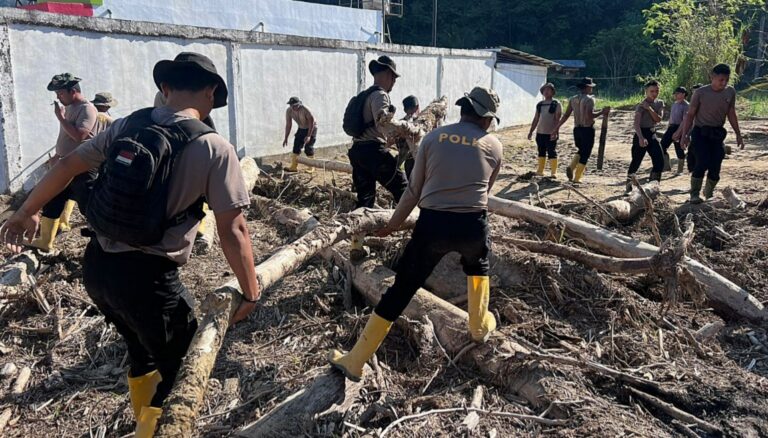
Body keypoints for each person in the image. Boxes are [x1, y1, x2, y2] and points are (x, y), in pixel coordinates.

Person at [0, 52, 260, 438]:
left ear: (165, 88)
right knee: (181, 371)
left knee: (141, 350)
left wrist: (26, 211)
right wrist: (251, 292)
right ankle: (151, 430)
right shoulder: (215, 148)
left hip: (97, 268)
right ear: (210, 93)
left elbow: (67, 166)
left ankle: (142, 418)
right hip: (149, 280)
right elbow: (233, 229)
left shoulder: (127, 125)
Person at [328, 87, 503, 382]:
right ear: (486, 119)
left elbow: (412, 191)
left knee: (402, 289)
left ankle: (355, 361)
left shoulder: (433, 138)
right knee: (478, 266)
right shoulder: (494, 145)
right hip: (473, 224)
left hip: (432, 224)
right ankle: (478, 327)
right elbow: (485, 192)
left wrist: (393, 225)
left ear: (463, 109)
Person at [347, 56, 408, 259]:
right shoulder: (380, 95)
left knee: (365, 200)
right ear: (388, 75)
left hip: (358, 151)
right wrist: (402, 132)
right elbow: (383, 123)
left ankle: (356, 245)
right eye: (394, 77)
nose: (394, 82)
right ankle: (415, 237)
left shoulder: (365, 95)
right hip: (373, 151)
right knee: (404, 189)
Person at [29, 73, 98, 251]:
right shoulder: (69, 108)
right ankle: (45, 241)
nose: (58, 97)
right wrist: (57, 155)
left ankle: (103, 241)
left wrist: (60, 118)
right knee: (52, 201)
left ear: (73, 91)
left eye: (60, 93)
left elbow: (79, 135)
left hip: (81, 167)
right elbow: (66, 138)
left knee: (89, 206)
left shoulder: (87, 109)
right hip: (63, 166)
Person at [676, 64, 744, 203]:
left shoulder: (730, 92)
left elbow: (731, 113)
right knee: (702, 162)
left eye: (726, 80)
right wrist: (684, 135)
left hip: (717, 133)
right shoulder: (700, 93)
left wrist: (738, 133)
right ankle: (694, 194)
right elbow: (690, 115)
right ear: (712, 77)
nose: (724, 83)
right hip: (700, 132)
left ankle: (709, 193)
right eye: (721, 80)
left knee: (716, 163)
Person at [554, 77, 610, 184]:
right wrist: (602, 112)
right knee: (586, 153)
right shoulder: (590, 99)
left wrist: (558, 127)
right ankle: (577, 177)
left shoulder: (573, 99)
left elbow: (566, 115)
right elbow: (590, 115)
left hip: (577, 129)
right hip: (587, 129)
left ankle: (572, 166)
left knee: (581, 150)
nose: (591, 89)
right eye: (591, 87)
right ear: (588, 87)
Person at [626, 80, 665, 191]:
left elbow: (658, 119)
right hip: (641, 133)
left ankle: (654, 186)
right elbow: (636, 124)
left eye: (656, 91)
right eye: (652, 91)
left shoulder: (659, 103)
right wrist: (641, 138)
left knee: (659, 161)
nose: (654, 93)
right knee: (636, 161)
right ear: (646, 92)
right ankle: (628, 186)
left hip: (652, 134)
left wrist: (649, 108)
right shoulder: (641, 105)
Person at [527, 83, 562, 178]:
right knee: (541, 151)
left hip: (551, 133)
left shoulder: (556, 104)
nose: (546, 92)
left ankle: (553, 172)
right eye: (544, 90)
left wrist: (555, 131)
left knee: (551, 152)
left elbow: (557, 119)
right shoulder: (540, 105)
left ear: (553, 92)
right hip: (540, 132)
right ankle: (540, 170)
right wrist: (531, 131)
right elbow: (536, 119)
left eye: (548, 90)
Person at [282, 96, 318, 173]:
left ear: (299, 104)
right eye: (291, 105)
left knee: (308, 147)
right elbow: (288, 124)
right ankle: (293, 167)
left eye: (295, 105)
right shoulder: (289, 111)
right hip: (301, 128)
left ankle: (312, 167)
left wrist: (309, 136)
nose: (293, 107)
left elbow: (311, 122)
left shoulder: (305, 110)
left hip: (311, 128)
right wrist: (286, 137)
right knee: (296, 146)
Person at [659, 86, 689, 175]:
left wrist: (678, 132)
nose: (675, 95)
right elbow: (671, 118)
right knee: (662, 146)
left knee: (678, 148)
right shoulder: (674, 104)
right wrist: (669, 127)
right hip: (671, 127)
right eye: (675, 94)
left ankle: (680, 170)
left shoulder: (686, 105)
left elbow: (685, 120)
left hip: (680, 127)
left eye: (677, 93)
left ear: (683, 94)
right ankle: (666, 166)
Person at [396, 95, 420, 178]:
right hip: (418, 160)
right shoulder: (422, 122)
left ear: (404, 109)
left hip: (409, 161)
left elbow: (398, 144)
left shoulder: (400, 124)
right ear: (417, 107)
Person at [683, 83, 704, 173]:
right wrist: (686, 134)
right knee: (691, 155)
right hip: (695, 132)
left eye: (696, 92)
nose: (694, 95)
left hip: (706, 132)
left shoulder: (708, 105)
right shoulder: (692, 105)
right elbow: (688, 121)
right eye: (693, 93)